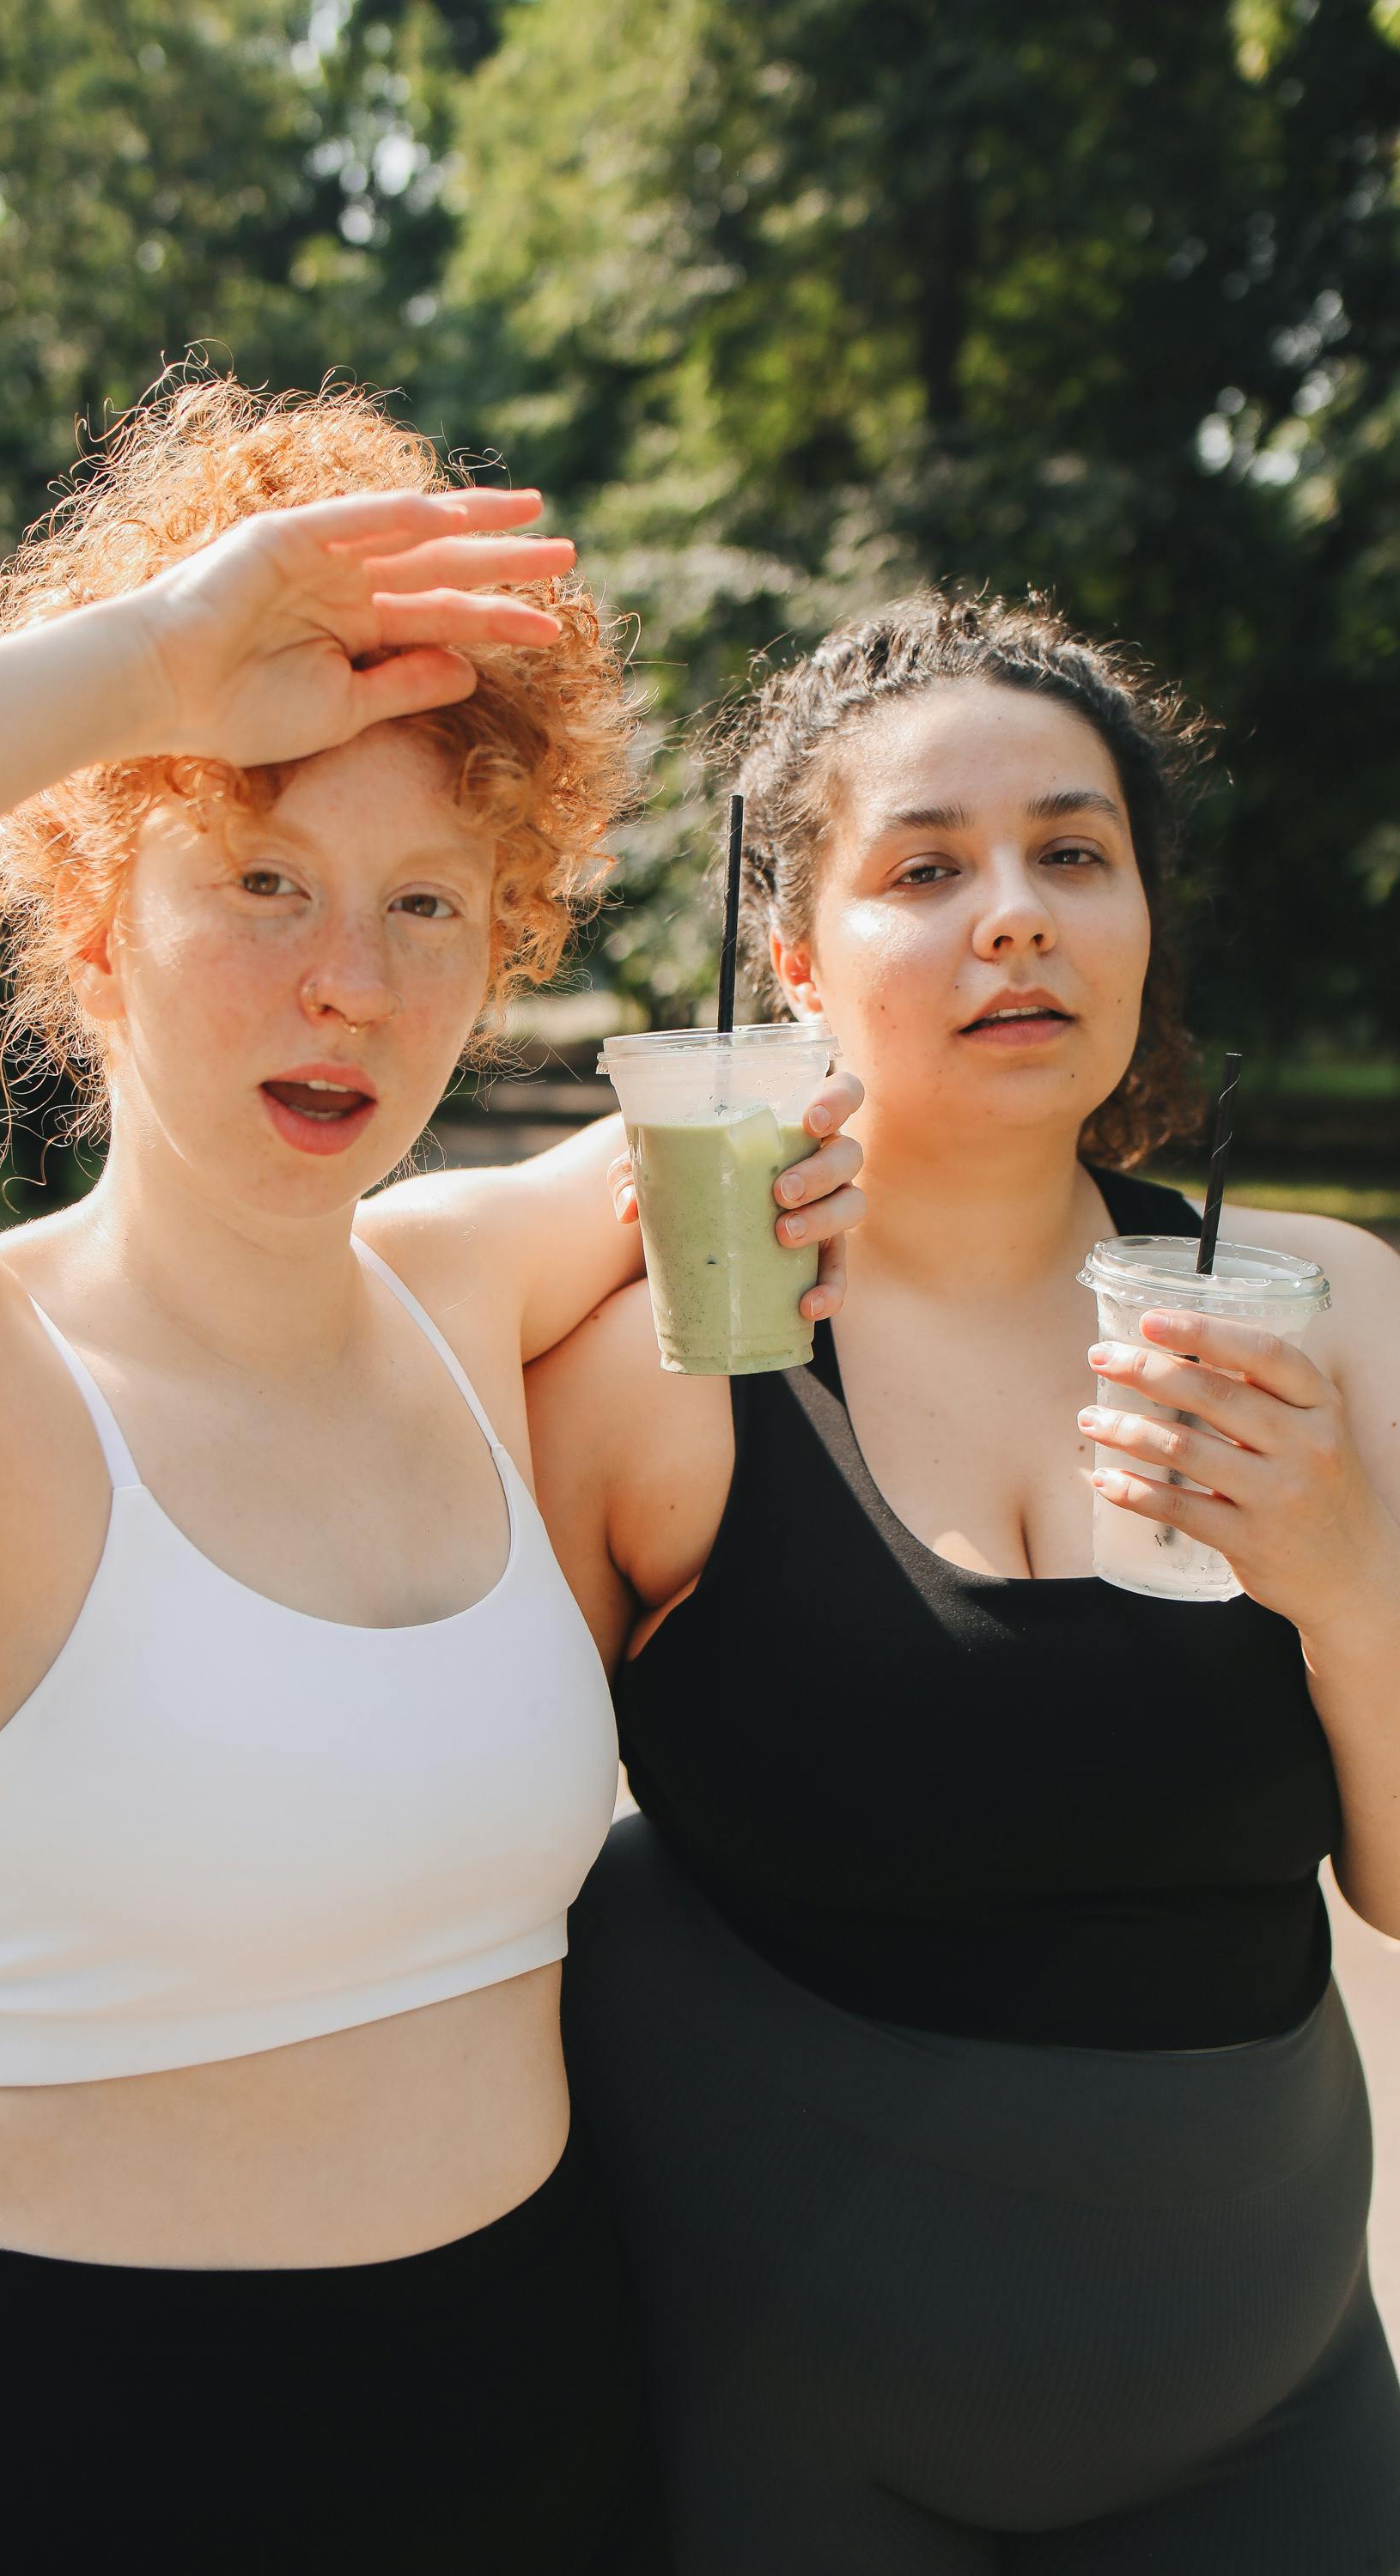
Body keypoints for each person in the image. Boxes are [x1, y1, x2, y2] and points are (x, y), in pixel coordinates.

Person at [0, 375, 858, 2573]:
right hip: (94, 2492)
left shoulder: (464, 1277)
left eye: (431, 906)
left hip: (550, 2455)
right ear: (87, 904)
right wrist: (142, 664)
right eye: (257, 875)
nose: (350, 985)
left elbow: (833, 1097)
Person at [527, 594, 1400, 2573]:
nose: (1014, 914)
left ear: (1141, 921)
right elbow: (455, 1887)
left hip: (1269, 2438)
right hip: (769, 2454)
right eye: (925, 868)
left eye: (1071, 853)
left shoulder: (1331, 1317)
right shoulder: (656, 1378)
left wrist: (1346, 1581)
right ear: (793, 957)